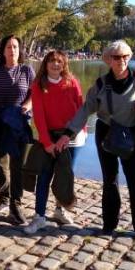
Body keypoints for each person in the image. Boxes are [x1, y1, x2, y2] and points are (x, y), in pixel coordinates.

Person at [55, 40, 135, 242]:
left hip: (133, 135)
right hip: (106, 135)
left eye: (125, 56)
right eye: (116, 57)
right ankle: (109, 224)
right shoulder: (101, 84)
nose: (121, 61)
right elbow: (85, 109)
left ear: (129, 57)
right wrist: (69, 133)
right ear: (109, 60)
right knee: (109, 181)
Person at [24, 50, 85, 234]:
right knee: (44, 176)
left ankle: (60, 211)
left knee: (65, 176)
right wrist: (47, 142)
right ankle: (39, 217)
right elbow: (39, 117)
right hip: (49, 137)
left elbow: (81, 110)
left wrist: (72, 134)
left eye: (59, 61)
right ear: (46, 63)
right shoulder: (38, 84)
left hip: (72, 137)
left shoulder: (72, 82)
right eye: (52, 61)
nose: (55, 64)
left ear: (64, 64)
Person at [0, 35, 35, 225]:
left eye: (15, 47)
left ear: (20, 50)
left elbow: (35, 94)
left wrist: (27, 106)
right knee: (0, 163)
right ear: (2, 50)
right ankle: (4, 199)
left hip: (19, 123)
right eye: (8, 47)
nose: (12, 50)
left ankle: (16, 204)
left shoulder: (27, 70)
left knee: (17, 165)